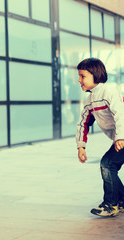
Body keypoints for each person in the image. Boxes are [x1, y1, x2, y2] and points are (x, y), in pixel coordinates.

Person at [75, 57, 124, 217]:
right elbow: (83, 123)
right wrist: (81, 146)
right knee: (109, 166)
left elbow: (120, 114)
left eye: (83, 76)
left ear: (95, 75)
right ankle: (120, 201)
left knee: (107, 164)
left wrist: (120, 137)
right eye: (79, 76)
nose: (79, 80)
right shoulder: (91, 101)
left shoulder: (109, 92)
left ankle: (111, 204)